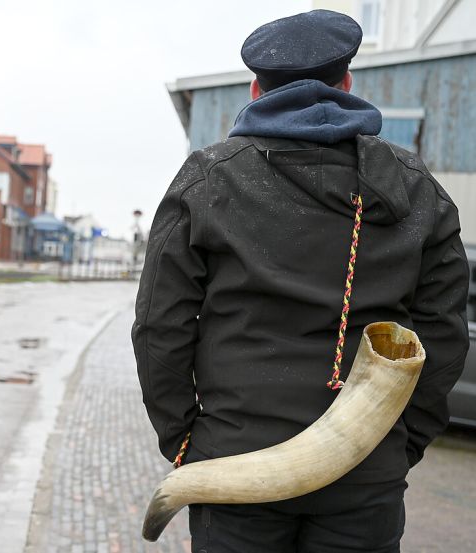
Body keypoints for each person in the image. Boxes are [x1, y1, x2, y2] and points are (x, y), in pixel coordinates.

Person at [132, 9, 469, 553]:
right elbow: (444, 338)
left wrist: (186, 441)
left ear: (255, 89)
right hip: (365, 471)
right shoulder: (415, 186)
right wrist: (399, 442)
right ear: (347, 84)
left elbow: (158, 328)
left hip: (234, 467)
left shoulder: (209, 178)